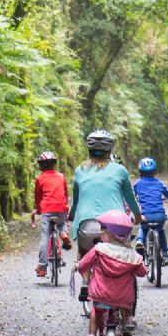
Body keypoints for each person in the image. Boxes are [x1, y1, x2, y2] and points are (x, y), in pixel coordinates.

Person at [67, 130, 142, 304]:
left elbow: (76, 201)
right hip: (114, 225)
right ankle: (126, 306)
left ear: (89, 149)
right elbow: (130, 199)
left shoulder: (79, 171)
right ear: (110, 150)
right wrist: (138, 217)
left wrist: (71, 216)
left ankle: (85, 281)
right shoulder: (120, 170)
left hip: (86, 225)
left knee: (83, 250)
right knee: (124, 253)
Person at [76, 210, 147, 336]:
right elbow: (142, 272)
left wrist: (79, 267)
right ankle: (128, 319)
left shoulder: (99, 250)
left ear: (108, 234)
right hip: (123, 298)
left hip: (100, 294)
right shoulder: (132, 256)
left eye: (102, 230)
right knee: (125, 301)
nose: (100, 233)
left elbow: (84, 265)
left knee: (96, 311)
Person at [34, 151, 71, 278]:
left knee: (45, 236)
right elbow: (65, 194)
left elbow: (38, 197)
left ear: (41, 165)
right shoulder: (61, 176)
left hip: (47, 209)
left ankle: (42, 268)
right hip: (61, 208)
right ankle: (63, 233)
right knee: (62, 223)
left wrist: (39, 210)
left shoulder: (40, 178)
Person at [133, 157, 168, 265]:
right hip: (159, 216)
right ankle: (165, 254)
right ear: (155, 172)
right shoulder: (159, 183)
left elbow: (132, 195)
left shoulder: (138, 184)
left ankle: (140, 241)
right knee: (161, 230)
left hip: (146, 215)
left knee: (143, 226)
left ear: (140, 172)